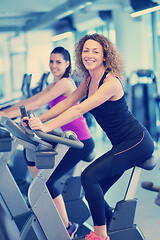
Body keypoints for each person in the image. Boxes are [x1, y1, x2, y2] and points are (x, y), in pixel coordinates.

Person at [26, 33, 155, 240]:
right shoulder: (88, 79)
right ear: (80, 54)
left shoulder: (110, 83)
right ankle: (115, 228)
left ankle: (100, 235)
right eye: (86, 50)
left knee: (89, 176)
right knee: (93, 190)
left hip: (137, 142)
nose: (89, 55)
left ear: (105, 56)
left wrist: (45, 126)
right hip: (121, 145)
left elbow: (78, 111)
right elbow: (67, 103)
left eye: (95, 51)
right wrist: (37, 120)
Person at [0, 46, 95, 238]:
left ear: (67, 64)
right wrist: (4, 113)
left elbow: (35, 105)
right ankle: (44, 207)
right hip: (66, 140)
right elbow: (31, 100)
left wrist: (4, 115)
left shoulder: (66, 84)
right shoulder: (56, 82)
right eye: (51, 61)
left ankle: (68, 227)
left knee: (46, 181)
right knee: (32, 156)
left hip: (80, 142)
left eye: (58, 62)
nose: (53, 65)